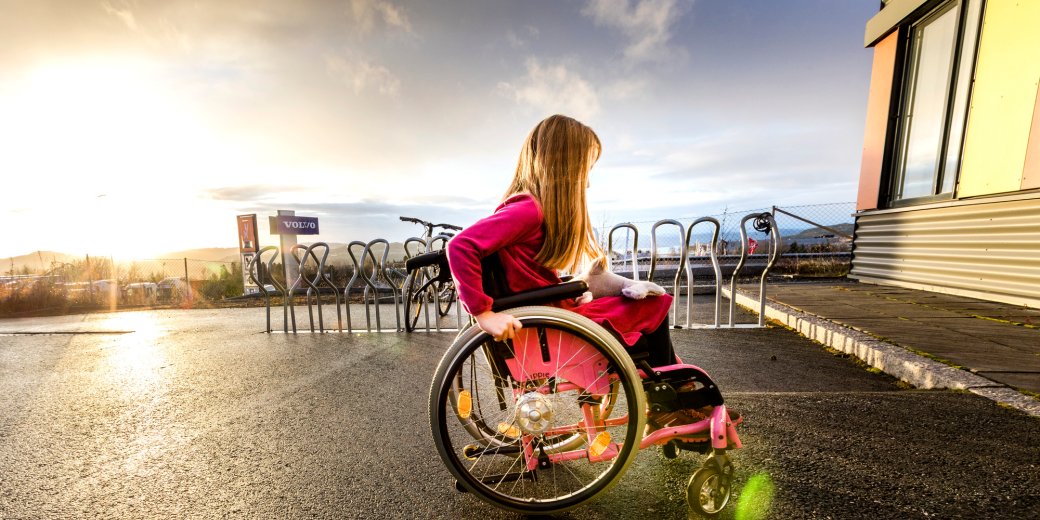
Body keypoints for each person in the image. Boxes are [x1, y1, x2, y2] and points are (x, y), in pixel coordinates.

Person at [445, 114, 677, 367]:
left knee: (644, 305)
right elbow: (460, 246)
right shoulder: (528, 210)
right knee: (654, 304)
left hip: (552, 315)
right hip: (552, 326)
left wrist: (570, 292)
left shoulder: (529, 208)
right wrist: (483, 314)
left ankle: (669, 376)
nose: (587, 183)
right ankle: (669, 382)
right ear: (564, 167)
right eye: (584, 171)